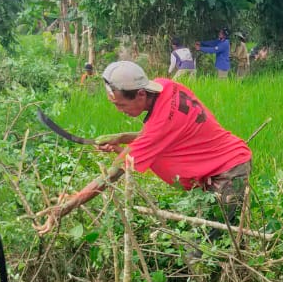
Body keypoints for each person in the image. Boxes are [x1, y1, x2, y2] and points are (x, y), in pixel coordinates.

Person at [33, 60, 252, 234]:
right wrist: (121, 137)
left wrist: (69, 206)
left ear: (140, 94)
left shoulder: (159, 125)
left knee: (202, 249)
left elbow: (112, 174)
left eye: (121, 104)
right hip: (220, 167)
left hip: (228, 172)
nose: (119, 110)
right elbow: (164, 133)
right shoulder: (166, 86)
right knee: (221, 237)